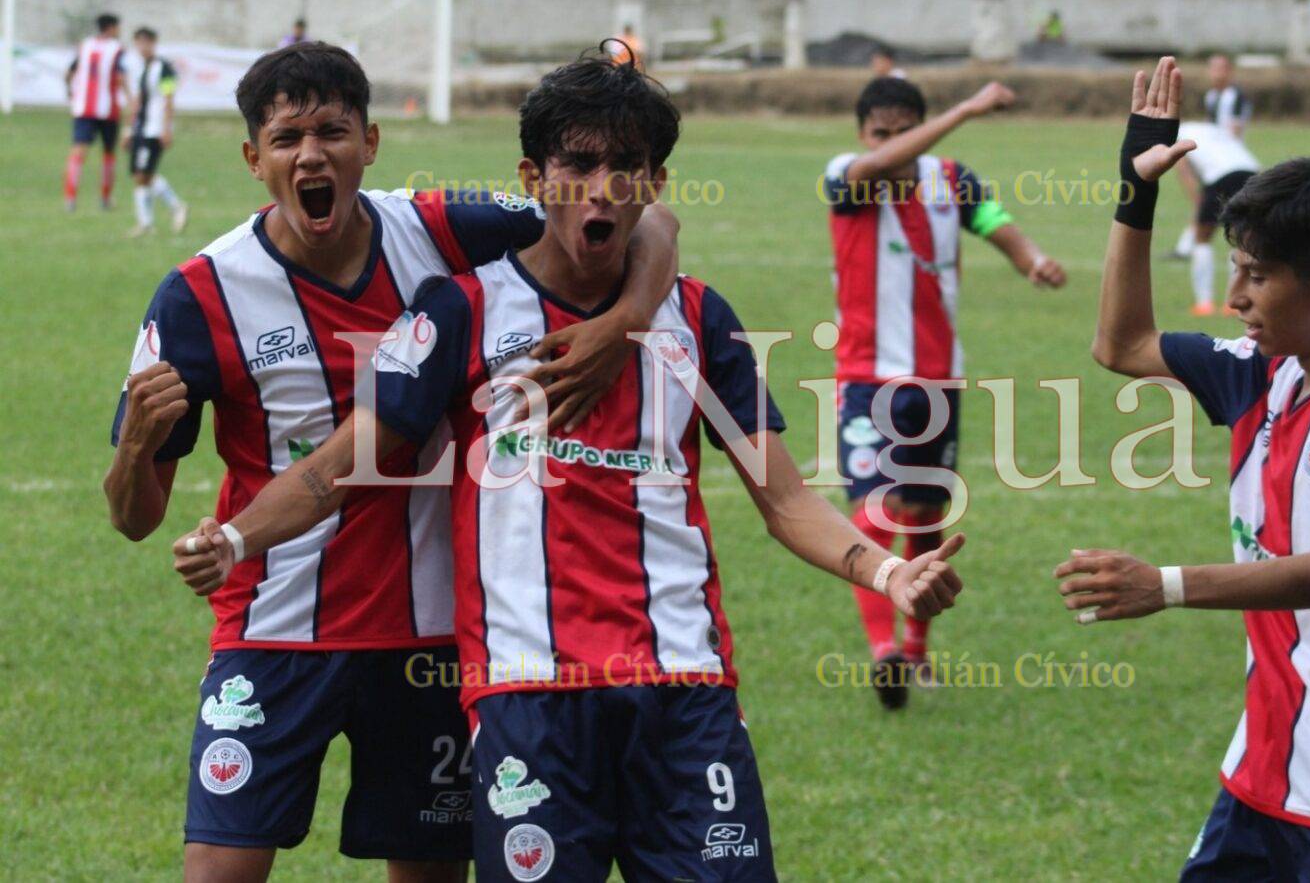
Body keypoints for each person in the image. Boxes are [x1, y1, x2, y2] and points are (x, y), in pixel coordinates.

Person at [171, 50, 967, 882]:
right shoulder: (460, 312)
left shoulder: (699, 319)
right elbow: (343, 463)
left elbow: (787, 499)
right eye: (579, 165)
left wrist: (886, 574)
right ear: (533, 177)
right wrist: (234, 539)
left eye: (627, 168)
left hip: (685, 693)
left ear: (655, 183)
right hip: (527, 703)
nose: (603, 189)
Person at [104, 41, 681, 882]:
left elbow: (650, 218)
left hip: (433, 632)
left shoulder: (445, 229)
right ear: (253, 158)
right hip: (274, 627)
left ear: (369, 143)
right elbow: (134, 518)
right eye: (288, 136)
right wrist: (132, 449)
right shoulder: (198, 294)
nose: (312, 154)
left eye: (332, 131)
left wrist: (625, 319)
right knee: (218, 872)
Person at [1066, 56, 1310, 882]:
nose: (1235, 295)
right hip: (1262, 763)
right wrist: (1137, 190)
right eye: (1234, 268)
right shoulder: (1259, 370)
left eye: (1258, 275)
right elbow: (1120, 345)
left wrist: (1162, 586)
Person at [822, 76, 1065, 708]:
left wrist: (1030, 259)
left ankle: (916, 650)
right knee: (874, 513)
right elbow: (875, 165)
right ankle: (884, 654)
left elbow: (994, 220)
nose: (894, 145)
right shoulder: (846, 174)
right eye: (882, 133)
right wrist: (966, 107)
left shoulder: (949, 178)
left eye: (905, 131)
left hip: (938, 378)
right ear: (863, 135)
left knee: (926, 518)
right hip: (869, 378)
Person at [1175, 121, 1261, 316]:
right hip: (1252, 174)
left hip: (1220, 177)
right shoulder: (1211, 129)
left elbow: (1185, 173)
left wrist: (1198, 205)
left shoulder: (1178, 137)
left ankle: (1204, 303)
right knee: (1241, 240)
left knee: (1202, 239)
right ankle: (1233, 303)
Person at [1173, 52, 1252, 260]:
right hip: (1211, 158)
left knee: (1232, 219)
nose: (1217, 73)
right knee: (1208, 207)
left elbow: (1234, 132)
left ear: (1229, 71)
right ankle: (1185, 247)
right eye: (1213, 68)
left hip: (1229, 161)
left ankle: (1188, 247)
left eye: (1221, 68)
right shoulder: (1211, 96)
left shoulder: (1236, 97)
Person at [123, 27, 189, 237]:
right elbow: (138, 102)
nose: (142, 47)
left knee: (144, 174)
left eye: (145, 42)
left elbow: (169, 98)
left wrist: (166, 128)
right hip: (141, 128)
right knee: (139, 175)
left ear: (153, 43)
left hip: (155, 129)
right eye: (138, 43)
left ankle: (175, 206)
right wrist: (128, 128)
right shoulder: (143, 68)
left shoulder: (164, 68)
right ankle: (146, 223)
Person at [63, 13, 130, 212]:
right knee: (108, 153)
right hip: (108, 110)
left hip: (84, 108)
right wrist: (131, 98)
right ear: (111, 28)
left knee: (78, 152)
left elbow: (69, 73)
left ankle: (70, 198)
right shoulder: (116, 49)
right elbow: (120, 77)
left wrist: (70, 91)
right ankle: (105, 198)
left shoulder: (86, 45)